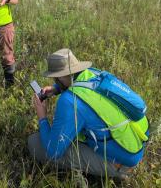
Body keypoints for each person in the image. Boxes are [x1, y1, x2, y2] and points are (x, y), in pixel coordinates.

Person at [28, 49, 149, 179]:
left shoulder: (69, 101)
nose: (55, 81)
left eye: (56, 79)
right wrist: (56, 89)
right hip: (137, 140)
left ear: (61, 76)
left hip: (121, 161)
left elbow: (54, 151)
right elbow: (84, 87)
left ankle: (117, 170)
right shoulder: (94, 73)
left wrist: (42, 117)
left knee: (35, 143)